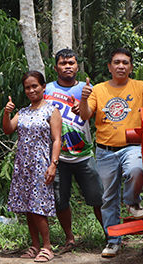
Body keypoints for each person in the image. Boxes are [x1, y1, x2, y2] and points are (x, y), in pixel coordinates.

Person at [79, 48, 143, 258]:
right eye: (116, 62)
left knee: (136, 168)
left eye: (125, 63)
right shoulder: (98, 89)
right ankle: (113, 241)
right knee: (107, 198)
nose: (121, 66)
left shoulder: (141, 87)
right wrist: (83, 98)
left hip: (132, 146)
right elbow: (85, 114)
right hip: (105, 151)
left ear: (131, 67)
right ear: (109, 66)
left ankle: (132, 200)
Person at [44, 49, 105, 252]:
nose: (67, 66)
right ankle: (70, 238)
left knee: (98, 197)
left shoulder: (88, 89)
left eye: (71, 62)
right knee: (60, 200)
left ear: (77, 66)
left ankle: (110, 235)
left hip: (84, 154)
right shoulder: (47, 90)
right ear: (56, 68)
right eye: (63, 63)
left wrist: (86, 103)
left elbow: (98, 115)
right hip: (58, 156)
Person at [3, 71, 62, 262]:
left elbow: (56, 139)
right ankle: (34, 245)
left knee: (39, 206)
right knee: (28, 206)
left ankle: (47, 246)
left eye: (35, 86)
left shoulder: (51, 110)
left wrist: (53, 164)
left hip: (41, 163)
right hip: (23, 164)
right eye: (27, 87)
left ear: (43, 87)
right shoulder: (23, 112)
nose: (31, 90)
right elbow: (8, 129)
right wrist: (6, 113)